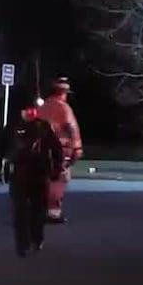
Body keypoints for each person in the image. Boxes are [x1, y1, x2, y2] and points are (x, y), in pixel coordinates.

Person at [0, 106, 64, 256]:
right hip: (19, 173)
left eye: (32, 109)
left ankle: (36, 238)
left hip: (39, 173)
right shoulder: (12, 127)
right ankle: (23, 244)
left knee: (38, 210)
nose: (30, 113)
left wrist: (57, 169)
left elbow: (57, 149)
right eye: (26, 110)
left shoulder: (43, 127)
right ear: (22, 111)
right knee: (20, 211)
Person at [37, 77, 82, 223]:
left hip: (40, 150)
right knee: (58, 180)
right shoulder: (64, 108)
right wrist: (76, 148)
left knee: (42, 180)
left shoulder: (43, 107)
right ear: (63, 93)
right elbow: (71, 129)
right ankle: (53, 213)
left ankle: (39, 210)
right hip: (60, 151)